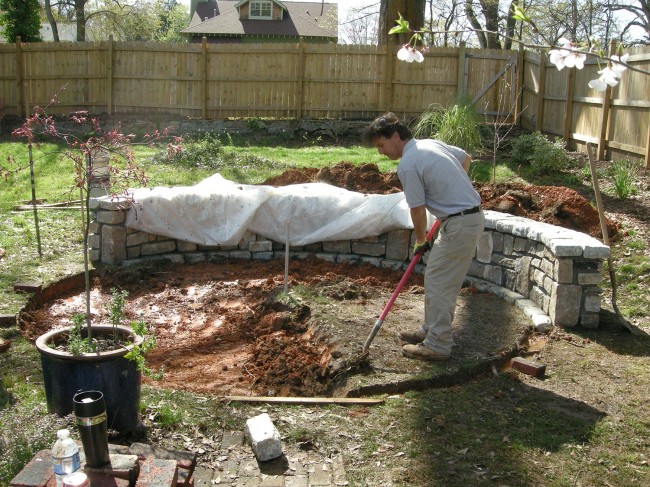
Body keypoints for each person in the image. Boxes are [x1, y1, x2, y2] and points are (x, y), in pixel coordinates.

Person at [361, 112, 484, 362]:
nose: (380, 152)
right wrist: (453, 190)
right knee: (436, 277)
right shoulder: (430, 144)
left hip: (460, 223)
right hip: (463, 219)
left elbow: (416, 209)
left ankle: (438, 344)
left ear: (395, 137)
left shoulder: (408, 164)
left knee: (439, 281)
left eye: (381, 145)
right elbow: (466, 159)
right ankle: (430, 330)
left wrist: (421, 240)